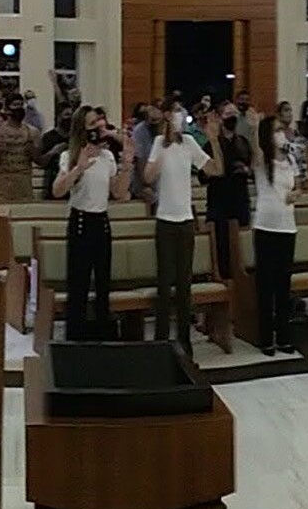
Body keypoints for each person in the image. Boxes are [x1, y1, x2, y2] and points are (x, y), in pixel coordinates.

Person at [52, 107, 131, 341]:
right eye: (92, 124)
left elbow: (119, 192)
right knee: (79, 285)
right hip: (80, 222)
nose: (98, 127)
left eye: (99, 121)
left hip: (101, 222)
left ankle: (102, 338)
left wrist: (127, 163)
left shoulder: (107, 157)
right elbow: (57, 191)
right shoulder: (70, 155)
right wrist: (79, 167)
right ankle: (76, 339)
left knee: (103, 284)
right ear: (83, 129)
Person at [144, 114, 220, 352]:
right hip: (165, 220)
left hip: (186, 220)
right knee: (164, 283)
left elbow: (215, 169)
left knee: (185, 284)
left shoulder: (189, 142)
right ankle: (161, 341)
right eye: (175, 115)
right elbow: (147, 177)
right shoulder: (159, 143)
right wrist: (163, 145)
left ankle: (184, 342)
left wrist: (213, 140)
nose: (179, 120)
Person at [250, 115, 302, 356]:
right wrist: (254, 128)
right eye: (275, 130)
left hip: (287, 227)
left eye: (281, 129)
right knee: (266, 285)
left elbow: (298, 185)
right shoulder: (263, 161)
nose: (280, 134)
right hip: (266, 227)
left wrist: (296, 194)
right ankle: (265, 338)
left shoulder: (290, 159)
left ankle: (284, 336)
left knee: (283, 284)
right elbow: (256, 153)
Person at [204, 106, 254, 285]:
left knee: (241, 246)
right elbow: (204, 174)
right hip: (219, 202)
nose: (232, 117)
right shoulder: (211, 144)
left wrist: (246, 169)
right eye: (228, 114)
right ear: (220, 118)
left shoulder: (243, 142)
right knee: (222, 246)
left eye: (234, 114)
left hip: (240, 200)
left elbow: (252, 168)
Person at [0, 93, 38, 204]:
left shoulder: (32, 132)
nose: (19, 108)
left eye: (21, 104)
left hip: (24, 188)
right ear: (7, 109)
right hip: (1, 188)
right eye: (15, 105)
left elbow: (37, 158)